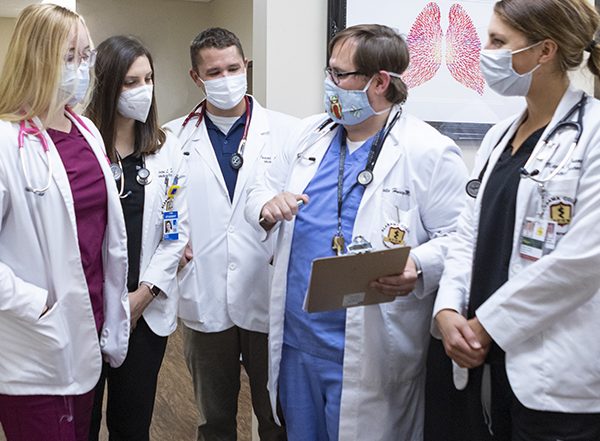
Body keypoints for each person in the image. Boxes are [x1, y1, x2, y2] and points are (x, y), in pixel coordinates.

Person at [245, 24, 468, 441]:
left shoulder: (428, 151)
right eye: (329, 72)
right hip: (298, 342)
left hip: (371, 351)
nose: (329, 84)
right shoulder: (310, 134)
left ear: (380, 82)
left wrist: (418, 264)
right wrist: (266, 205)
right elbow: (259, 187)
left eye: (339, 74)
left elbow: (461, 238)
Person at [433, 1, 600, 440]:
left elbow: (584, 259)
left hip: (556, 374)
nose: (485, 52)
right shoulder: (498, 137)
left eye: (498, 41)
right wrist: (447, 308)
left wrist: (487, 325)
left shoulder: (594, 134)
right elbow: (467, 235)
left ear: (544, 51)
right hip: (485, 360)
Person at [0, 5, 130, 441]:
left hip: (87, 328)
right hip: (34, 345)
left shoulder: (86, 130)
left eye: (86, 56)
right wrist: (35, 303)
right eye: (69, 57)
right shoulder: (5, 142)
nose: (81, 68)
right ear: (35, 59)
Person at [164, 27, 296, 441]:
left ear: (246, 67)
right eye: (214, 72)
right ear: (196, 77)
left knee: (276, 418)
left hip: (265, 287)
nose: (226, 79)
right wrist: (168, 242)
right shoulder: (171, 138)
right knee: (214, 419)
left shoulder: (289, 132)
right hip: (204, 290)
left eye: (233, 68)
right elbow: (160, 211)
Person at [86, 35, 188, 441]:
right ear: (107, 84)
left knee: (132, 425)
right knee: (81, 423)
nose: (143, 90)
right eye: (130, 82)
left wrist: (142, 296)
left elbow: (176, 233)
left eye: (148, 79)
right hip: (90, 310)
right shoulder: (83, 148)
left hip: (144, 312)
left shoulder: (167, 150)